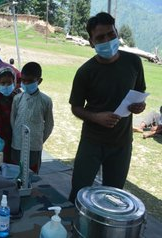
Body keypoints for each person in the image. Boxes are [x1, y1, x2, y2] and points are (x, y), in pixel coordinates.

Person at [68, 12, 146, 203]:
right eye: (100, 37)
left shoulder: (134, 62)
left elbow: (139, 94)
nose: (108, 40)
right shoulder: (85, 72)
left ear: (116, 33)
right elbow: (76, 107)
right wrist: (96, 117)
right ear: (91, 42)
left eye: (111, 34)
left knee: (112, 195)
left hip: (122, 143)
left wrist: (140, 106)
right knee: (79, 191)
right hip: (92, 142)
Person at [10, 62, 54, 173]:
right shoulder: (17, 98)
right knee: (16, 173)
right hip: (17, 144)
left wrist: (39, 140)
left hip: (34, 146)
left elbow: (49, 124)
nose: (25, 83)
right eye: (23, 80)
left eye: (30, 81)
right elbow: (13, 119)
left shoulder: (46, 100)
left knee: (32, 175)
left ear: (39, 81)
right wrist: (17, 134)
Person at [0, 67, 20, 163]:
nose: (6, 86)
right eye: (3, 83)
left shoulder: (18, 97)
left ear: (14, 82)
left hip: (16, 136)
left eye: (9, 83)